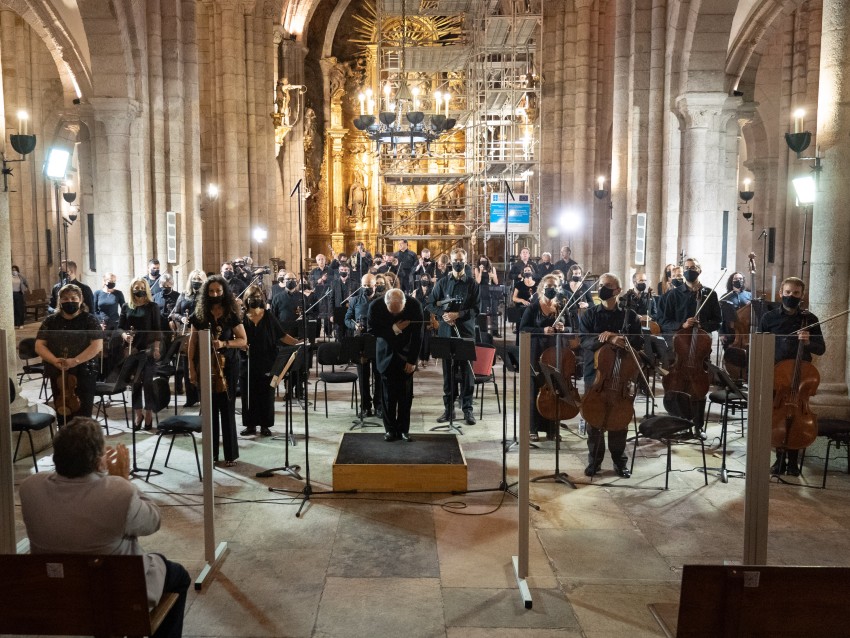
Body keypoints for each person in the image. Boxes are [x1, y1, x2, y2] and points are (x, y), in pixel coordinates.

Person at [19, 418, 190, 638]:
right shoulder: (118, 492)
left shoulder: (29, 488)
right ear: (97, 459)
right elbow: (154, 520)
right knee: (179, 576)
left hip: (58, 599)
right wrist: (123, 481)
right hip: (118, 599)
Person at [759, 276, 825, 476]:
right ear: (780, 293)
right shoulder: (768, 319)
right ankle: (779, 460)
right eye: (787, 292)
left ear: (802, 295)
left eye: (796, 293)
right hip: (776, 375)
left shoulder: (810, 319)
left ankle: (794, 462)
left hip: (800, 376)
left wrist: (807, 342)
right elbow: (760, 347)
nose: (791, 296)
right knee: (776, 416)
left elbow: (821, 349)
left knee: (797, 415)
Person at [579, 273, 643, 477]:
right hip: (596, 374)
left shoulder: (629, 316)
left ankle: (619, 462)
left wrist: (618, 337)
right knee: (594, 419)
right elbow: (584, 341)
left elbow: (639, 342)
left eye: (607, 286)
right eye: (601, 285)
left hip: (621, 374)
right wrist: (604, 340)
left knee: (619, 419)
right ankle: (594, 462)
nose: (603, 288)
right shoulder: (590, 314)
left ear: (618, 290)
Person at [657, 257, 722, 436]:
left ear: (699, 270)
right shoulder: (673, 294)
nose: (689, 270)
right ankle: (677, 424)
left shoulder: (710, 294)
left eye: (693, 268)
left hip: (700, 349)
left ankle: (698, 426)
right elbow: (663, 321)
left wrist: (703, 326)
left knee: (698, 387)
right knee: (678, 385)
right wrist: (682, 325)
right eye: (686, 268)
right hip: (680, 348)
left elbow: (717, 322)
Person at [188, 275, 247, 467]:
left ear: (224, 292)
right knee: (209, 410)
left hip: (228, 364)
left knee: (227, 409)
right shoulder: (199, 314)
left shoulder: (231, 313)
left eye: (218, 291)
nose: (215, 294)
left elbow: (243, 340)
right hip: (204, 364)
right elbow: (192, 343)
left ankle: (230, 454)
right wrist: (191, 367)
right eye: (211, 291)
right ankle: (211, 453)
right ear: (206, 293)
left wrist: (224, 343)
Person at [35, 284, 103, 424]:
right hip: (59, 371)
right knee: (63, 412)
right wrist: (54, 360)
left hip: (84, 371)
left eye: (73, 298)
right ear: (60, 301)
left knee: (83, 415)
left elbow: (97, 345)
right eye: (65, 298)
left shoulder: (89, 319)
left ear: (81, 299)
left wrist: (76, 360)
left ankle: (83, 444)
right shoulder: (51, 320)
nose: (69, 301)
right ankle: (65, 442)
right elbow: (39, 345)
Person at [427, 248, 480, 425]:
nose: (458, 263)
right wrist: (443, 314)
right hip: (446, 333)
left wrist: (458, 315)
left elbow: (476, 309)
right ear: (450, 261)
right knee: (448, 374)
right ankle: (449, 410)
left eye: (461, 260)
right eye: (455, 260)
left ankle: (467, 410)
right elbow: (430, 304)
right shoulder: (442, 283)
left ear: (465, 261)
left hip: (465, 332)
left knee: (466, 374)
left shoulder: (472, 284)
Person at [368, 288, 423, 441]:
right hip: (385, 355)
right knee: (387, 397)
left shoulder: (414, 305)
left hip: (406, 356)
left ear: (404, 303)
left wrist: (412, 360)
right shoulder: (375, 306)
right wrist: (395, 328)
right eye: (391, 312)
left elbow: (418, 336)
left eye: (397, 312)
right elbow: (372, 330)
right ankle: (390, 430)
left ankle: (404, 430)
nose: (394, 315)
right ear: (386, 303)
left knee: (405, 397)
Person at [240, 285, 294, 437]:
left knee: (266, 394)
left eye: (257, 297)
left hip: (267, 360)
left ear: (262, 299)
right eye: (251, 297)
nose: (254, 300)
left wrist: (297, 343)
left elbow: (282, 335)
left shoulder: (268, 316)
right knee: (249, 395)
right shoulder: (242, 317)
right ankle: (250, 425)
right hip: (247, 362)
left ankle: (265, 425)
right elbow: (235, 337)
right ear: (246, 300)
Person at [519, 274, 568, 442]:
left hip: (555, 353)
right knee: (535, 390)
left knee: (555, 390)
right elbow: (523, 329)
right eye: (548, 285)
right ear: (541, 287)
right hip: (536, 353)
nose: (551, 288)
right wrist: (542, 331)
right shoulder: (533, 307)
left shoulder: (561, 307)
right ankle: (532, 428)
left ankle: (552, 429)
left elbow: (572, 330)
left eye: (554, 285)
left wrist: (564, 328)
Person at [119, 278, 162, 431]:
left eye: (142, 287)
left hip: (148, 349)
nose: (139, 289)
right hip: (131, 350)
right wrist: (125, 336)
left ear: (146, 289)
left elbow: (157, 328)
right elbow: (119, 328)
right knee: (135, 383)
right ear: (132, 289)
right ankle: (138, 414)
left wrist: (157, 348)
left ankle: (149, 413)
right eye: (136, 287)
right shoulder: (126, 306)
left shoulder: (152, 307)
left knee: (148, 383)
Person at [346, 273, 383, 419]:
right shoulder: (355, 300)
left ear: (375, 285)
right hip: (360, 342)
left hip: (377, 341)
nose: (366, 288)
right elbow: (347, 318)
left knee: (378, 375)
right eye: (364, 285)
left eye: (369, 285)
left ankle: (379, 406)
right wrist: (354, 326)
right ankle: (365, 407)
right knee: (363, 376)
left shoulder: (381, 300)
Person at [170, 269, 206, 407]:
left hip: (201, 333)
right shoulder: (184, 295)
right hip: (186, 333)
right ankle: (190, 397)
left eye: (199, 280)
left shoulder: (205, 297)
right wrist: (182, 318)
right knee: (187, 365)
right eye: (194, 279)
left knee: (201, 364)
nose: (196, 282)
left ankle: (203, 396)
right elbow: (174, 313)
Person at [330, 262, 358, 341]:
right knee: (339, 335)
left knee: (350, 335)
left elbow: (358, 298)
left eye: (345, 270)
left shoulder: (354, 283)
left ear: (348, 271)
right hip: (338, 311)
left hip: (350, 311)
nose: (343, 271)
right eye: (341, 270)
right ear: (339, 271)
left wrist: (353, 299)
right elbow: (331, 299)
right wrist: (331, 314)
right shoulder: (334, 283)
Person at [475, 256, 500, 338]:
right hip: (482, 291)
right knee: (482, 311)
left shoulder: (492, 268)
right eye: (481, 260)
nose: (483, 262)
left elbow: (496, 282)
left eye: (484, 260)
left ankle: (495, 330)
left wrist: (493, 276)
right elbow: (478, 281)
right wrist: (481, 271)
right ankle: (483, 330)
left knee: (494, 311)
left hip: (491, 291)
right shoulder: (477, 269)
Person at [414, 273, 434, 367]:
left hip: (428, 316)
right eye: (423, 278)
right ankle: (420, 358)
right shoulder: (416, 291)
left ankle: (425, 358)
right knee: (419, 338)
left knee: (427, 339)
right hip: (418, 317)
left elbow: (434, 306)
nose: (424, 280)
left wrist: (432, 319)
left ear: (429, 280)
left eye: (426, 278)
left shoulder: (432, 291)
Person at [310, 254, 333, 338]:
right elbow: (311, 283)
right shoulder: (313, 271)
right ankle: (317, 333)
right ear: (317, 261)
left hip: (328, 294)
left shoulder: (330, 270)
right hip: (317, 296)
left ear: (325, 260)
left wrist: (327, 280)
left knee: (328, 313)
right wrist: (319, 280)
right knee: (318, 314)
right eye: (319, 259)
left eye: (322, 259)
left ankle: (329, 332)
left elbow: (333, 281)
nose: (321, 261)